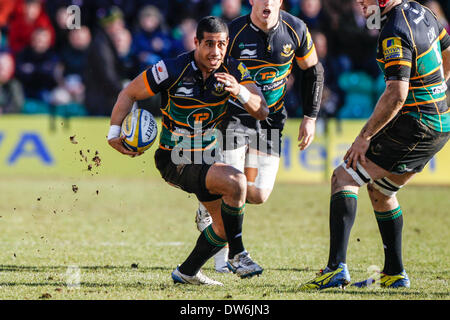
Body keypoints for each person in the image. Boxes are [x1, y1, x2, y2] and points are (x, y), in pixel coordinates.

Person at [300, 0, 450, 290]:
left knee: (343, 176)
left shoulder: (394, 29)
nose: (360, 3)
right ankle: (394, 273)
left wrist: (364, 137)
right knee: (381, 190)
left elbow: (396, 94)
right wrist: (440, 86)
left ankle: (335, 270)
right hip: (440, 123)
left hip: (417, 123)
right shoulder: (422, 11)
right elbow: (447, 51)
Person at [107, 16, 269, 285]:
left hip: (206, 157)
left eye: (221, 45)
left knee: (222, 228)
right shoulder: (171, 69)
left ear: (227, 45)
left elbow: (262, 111)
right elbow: (129, 93)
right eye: (208, 44)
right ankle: (239, 255)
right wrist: (114, 133)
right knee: (237, 182)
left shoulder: (235, 71)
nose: (215, 52)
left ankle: (186, 272)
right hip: (174, 158)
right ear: (196, 42)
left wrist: (239, 91)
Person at [194, 0, 324, 273]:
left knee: (258, 194)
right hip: (235, 116)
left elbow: (312, 69)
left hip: (271, 119)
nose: (267, 2)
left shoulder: (296, 29)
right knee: (232, 185)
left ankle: (208, 208)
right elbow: (211, 67)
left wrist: (310, 117)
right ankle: (225, 259)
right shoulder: (234, 33)